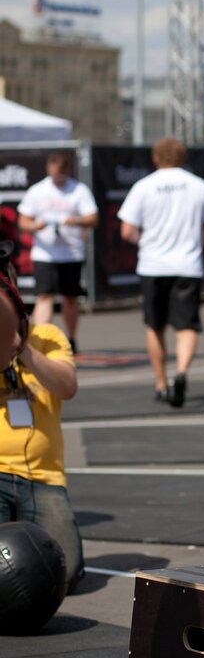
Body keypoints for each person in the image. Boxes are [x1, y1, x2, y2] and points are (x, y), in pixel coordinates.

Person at [117, 138, 204, 407]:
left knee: (155, 326)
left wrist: (147, 241)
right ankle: (181, 373)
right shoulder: (198, 186)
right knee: (187, 325)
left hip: (152, 264)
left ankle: (160, 383)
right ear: (182, 157)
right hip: (187, 265)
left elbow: (127, 231)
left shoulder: (144, 187)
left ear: (156, 158)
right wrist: (199, 239)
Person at [0, 242, 84, 592]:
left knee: (62, 572)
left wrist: (23, 350)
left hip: (44, 478)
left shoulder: (47, 336)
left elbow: (67, 387)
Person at [16, 151, 99, 356]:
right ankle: (38, 340)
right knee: (44, 296)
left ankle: (71, 338)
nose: (57, 180)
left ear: (67, 171)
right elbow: (23, 221)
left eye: (61, 176)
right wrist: (36, 226)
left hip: (71, 253)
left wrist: (76, 221)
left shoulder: (78, 190)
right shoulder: (38, 190)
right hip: (45, 253)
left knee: (70, 298)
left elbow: (93, 218)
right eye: (54, 175)